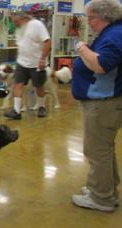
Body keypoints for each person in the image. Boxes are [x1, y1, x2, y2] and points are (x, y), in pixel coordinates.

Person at [71, 0, 122, 212]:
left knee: (97, 151)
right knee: (105, 150)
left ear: (104, 16)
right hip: (104, 101)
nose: (88, 22)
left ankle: (101, 199)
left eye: (90, 18)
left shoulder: (114, 35)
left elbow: (100, 64)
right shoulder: (113, 32)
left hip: (103, 104)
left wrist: (82, 47)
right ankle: (106, 189)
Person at [4, 12, 51, 120]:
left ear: (23, 18)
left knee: (39, 86)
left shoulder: (37, 25)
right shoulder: (18, 29)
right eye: (13, 21)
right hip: (22, 63)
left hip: (37, 63)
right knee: (17, 84)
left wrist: (43, 59)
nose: (14, 24)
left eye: (16, 21)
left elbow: (47, 42)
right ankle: (16, 111)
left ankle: (41, 107)